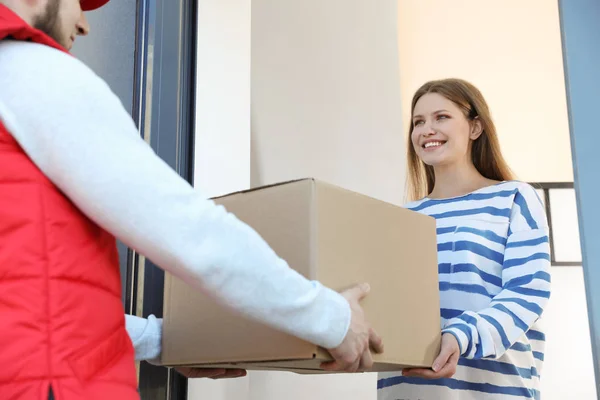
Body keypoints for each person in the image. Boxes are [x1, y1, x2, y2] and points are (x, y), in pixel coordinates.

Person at [0, 1, 383, 399]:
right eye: (77, 4)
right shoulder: (32, 72)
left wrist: (162, 340)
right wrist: (331, 318)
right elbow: (188, 231)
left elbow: (25, 307)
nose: (84, 24)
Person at [377, 79, 551, 399]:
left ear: (475, 128)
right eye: (418, 122)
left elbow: (526, 294)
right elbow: (385, 305)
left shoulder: (514, 198)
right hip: (408, 391)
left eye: (441, 117)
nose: (426, 129)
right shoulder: (402, 217)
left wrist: (460, 337)